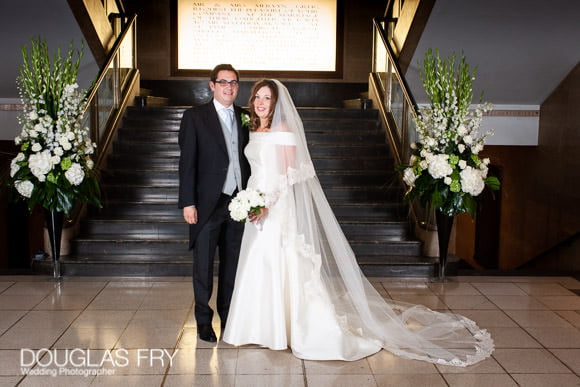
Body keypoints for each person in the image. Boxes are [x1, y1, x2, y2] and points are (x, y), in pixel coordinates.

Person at [223, 79, 494, 365]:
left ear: (277, 103)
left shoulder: (285, 131)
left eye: (267, 98)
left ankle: (292, 328)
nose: (261, 103)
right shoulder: (253, 130)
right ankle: (260, 328)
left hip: (276, 207)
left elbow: (291, 174)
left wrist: (267, 204)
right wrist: (250, 202)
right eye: (257, 97)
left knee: (280, 260)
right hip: (256, 204)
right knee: (258, 259)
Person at [178, 64, 251, 342]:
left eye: (233, 83)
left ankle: (229, 318)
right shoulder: (195, 117)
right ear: (212, 85)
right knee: (204, 268)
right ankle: (203, 322)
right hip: (207, 205)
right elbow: (187, 164)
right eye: (223, 82)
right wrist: (188, 202)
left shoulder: (245, 117)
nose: (229, 87)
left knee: (232, 267)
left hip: (239, 204)